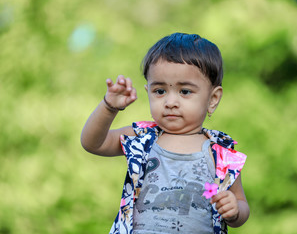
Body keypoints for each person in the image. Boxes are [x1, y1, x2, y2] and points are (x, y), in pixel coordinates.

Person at [81, 32, 249, 234]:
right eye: (160, 91)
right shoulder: (142, 137)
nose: (170, 102)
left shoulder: (220, 152)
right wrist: (109, 107)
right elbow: (93, 143)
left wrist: (235, 211)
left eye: (185, 91)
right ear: (148, 91)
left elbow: (241, 202)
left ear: (213, 99)